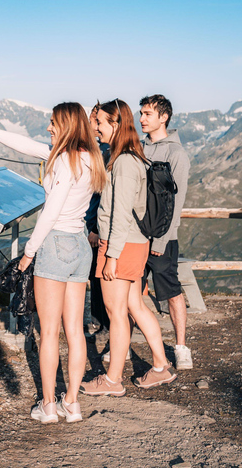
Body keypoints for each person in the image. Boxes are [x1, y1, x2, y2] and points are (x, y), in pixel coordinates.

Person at [0, 103, 106, 424]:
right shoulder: (92, 159)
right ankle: (73, 403)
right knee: (75, 331)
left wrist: (27, 254)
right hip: (80, 244)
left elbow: (50, 213)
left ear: (65, 125)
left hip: (54, 244)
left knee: (49, 332)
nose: (48, 129)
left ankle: (49, 405)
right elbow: (26, 146)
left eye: (53, 124)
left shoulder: (63, 163)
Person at [80, 99, 177, 397]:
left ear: (116, 124)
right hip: (135, 244)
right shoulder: (134, 157)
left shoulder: (122, 162)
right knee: (135, 305)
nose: (95, 127)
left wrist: (111, 257)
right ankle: (161, 366)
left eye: (100, 123)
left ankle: (112, 380)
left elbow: (120, 214)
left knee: (116, 311)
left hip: (119, 245)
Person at [139, 94, 193, 370]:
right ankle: (122, 343)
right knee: (131, 291)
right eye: (141, 113)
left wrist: (161, 239)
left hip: (162, 238)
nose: (142, 119)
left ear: (164, 117)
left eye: (148, 114)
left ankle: (181, 347)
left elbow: (177, 200)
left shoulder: (177, 153)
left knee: (171, 291)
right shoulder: (138, 149)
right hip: (136, 236)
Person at [84, 104, 110, 336]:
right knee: (95, 274)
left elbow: (101, 195)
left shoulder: (105, 152)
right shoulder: (99, 149)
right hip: (95, 223)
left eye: (95, 120)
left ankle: (102, 323)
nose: (92, 125)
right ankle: (99, 321)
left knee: (98, 274)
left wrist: (94, 228)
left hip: (97, 226)